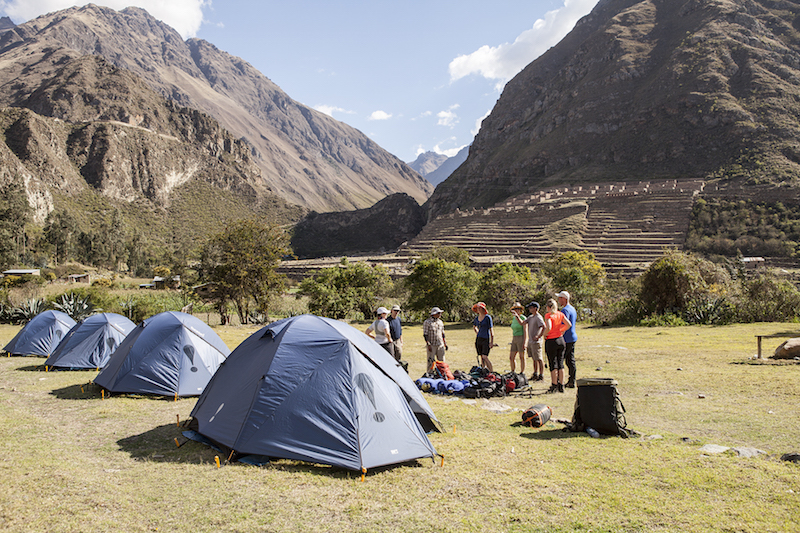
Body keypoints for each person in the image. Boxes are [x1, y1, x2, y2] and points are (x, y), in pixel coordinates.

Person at [543, 298, 572, 393]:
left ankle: (554, 384)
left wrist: (545, 334)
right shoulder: (560, 314)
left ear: (548, 307)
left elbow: (549, 326)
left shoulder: (548, 315)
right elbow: (569, 324)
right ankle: (561, 384)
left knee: (553, 363)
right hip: (560, 339)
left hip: (551, 340)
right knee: (560, 363)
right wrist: (562, 330)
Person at [558, 290, 578, 388]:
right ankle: (572, 380)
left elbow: (564, 324)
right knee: (570, 360)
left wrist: (559, 333)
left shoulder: (565, 310)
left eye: (560, 298)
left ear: (564, 299)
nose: (558, 300)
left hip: (566, 338)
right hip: (572, 337)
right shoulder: (572, 308)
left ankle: (560, 381)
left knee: (561, 360)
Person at [523, 301, 545, 381]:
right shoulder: (531, 317)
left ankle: (541, 375)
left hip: (536, 342)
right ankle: (535, 373)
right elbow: (523, 323)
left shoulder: (538, 317)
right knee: (534, 358)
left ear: (535, 308)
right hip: (531, 341)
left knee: (539, 358)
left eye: (531, 307)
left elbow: (543, 326)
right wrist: (517, 316)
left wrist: (538, 336)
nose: (529, 309)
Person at [472, 301, 495, 372]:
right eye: (477, 308)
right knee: (481, 357)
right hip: (479, 339)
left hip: (486, 339)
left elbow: (491, 330)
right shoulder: (476, 318)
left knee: (485, 357)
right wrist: (477, 332)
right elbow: (474, 326)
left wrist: (491, 342)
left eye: (480, 308)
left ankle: (491, 372)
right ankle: (484, 371)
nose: (478, 309)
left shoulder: (488, 317)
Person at [509, 302, 527, 375]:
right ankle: (513, 371)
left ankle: (522, 372)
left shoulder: (523, 318)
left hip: (521, 337)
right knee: (511, 357)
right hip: (514, 338)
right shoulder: (513, 318)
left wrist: (525, 342)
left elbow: (525, 330)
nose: (516, 310)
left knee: (521, 356)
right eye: (515, 309)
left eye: (518, 309)